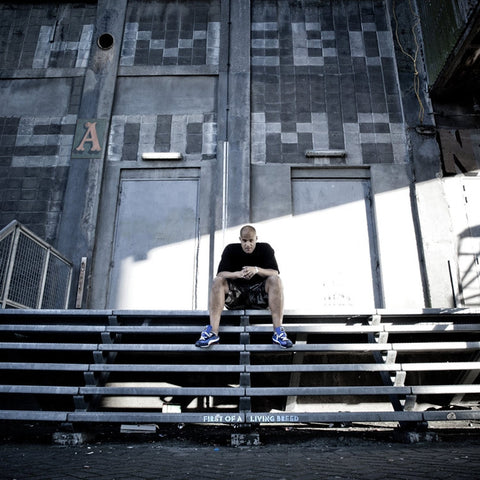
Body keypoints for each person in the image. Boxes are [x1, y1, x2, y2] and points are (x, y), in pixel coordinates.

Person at [195, 225, 293, 348]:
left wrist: (256, 270)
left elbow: (274, 272)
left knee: (275, 280)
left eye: (251, 241)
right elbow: (220, 274)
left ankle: (278, 332)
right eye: (244, 241)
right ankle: (213, 333)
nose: (248, 244)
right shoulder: (230, 249)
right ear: (240, 239)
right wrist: (237, 274)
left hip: (258, 297)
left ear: (256, 239)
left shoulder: (265, 249)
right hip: (236, 296)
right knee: (217, 281)